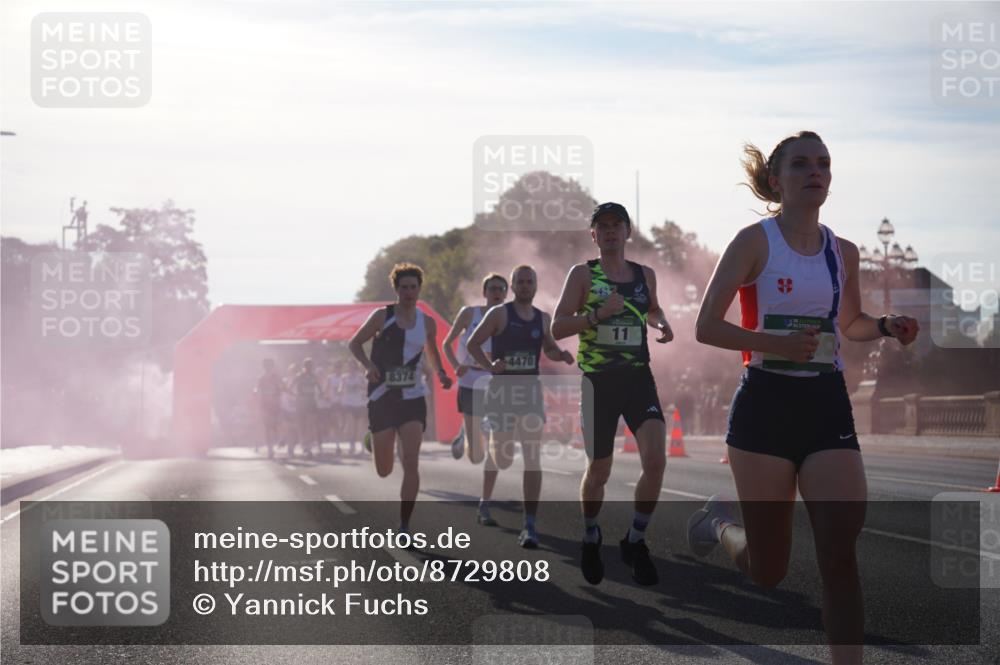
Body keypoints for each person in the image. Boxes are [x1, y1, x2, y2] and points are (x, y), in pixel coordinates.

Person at [685, 131, 919, 665]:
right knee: (768, 569)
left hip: (825, 404)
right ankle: (719, 521)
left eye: (824, 164)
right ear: (776, 179)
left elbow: (850, 323)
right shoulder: (753, 242)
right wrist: (774, 343)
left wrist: (886, 325)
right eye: (802, 165)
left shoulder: (845, 252)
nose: (816, 172)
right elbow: (705, 327)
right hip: (765, 408)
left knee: (839, 549)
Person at [552, 202, 674, 586]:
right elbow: (557, 328)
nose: (609, 232)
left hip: (639, 378)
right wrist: (596, 316)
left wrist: (662, 322)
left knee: (656, 461)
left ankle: (635, 540)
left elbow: (652, 309)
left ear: (627, 232)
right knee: (599, 469)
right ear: (593, 235)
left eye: (616, 225)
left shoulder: (644, 274)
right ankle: (591, 534)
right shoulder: (582, 275)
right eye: (601, 227)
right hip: (598, 382)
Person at [466, 265, 574, 547]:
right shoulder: (499, 313)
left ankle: (529, 525)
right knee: (501, 457)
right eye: (521, 282)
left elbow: (547, 346)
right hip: (502, 393)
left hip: (530, 393)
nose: (525, 286)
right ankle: (484, 502)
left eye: (530, 282)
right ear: (513, 286)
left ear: (536, 286)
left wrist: (559, 353)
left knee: (532, 457)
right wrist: (490, 365)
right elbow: (472, 344)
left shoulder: (542, 318)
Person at [348, 263, 453, 537]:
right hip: (382, 396)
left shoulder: (427, 322)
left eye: (413, 287)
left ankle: (404, 525)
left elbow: (432, 352)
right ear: (396, 290)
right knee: (384, 470)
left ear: (419, 289)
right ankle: (375, 438)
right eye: (403, 287)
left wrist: (441, 373)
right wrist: (368, 365)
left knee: (411, 460)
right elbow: (354, 343)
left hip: (413, 397)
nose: (408, 292)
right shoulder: (382, 317)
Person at [442, 272, 509, 462]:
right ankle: (464, 434)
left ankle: (481, 425)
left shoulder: (509, 317)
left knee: (496, 429)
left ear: (506, 293)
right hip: (470, 379)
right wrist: (456, 366)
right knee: (476, 456)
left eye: (500, 289)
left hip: (494, 380)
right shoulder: (469, 314)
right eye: (492, 288)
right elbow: (447, 344)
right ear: (484, 292)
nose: (496, 292)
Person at [292, 358, 322, 457]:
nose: (309, 368)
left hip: (311, 402)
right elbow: (291, 386)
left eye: (310, 366)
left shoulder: (314, 376)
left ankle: (307, 446)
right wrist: (295, 396)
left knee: (310, 425)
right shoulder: (299, 376)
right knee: (302, 425)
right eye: (307, 366)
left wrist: (321, 394)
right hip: (301, 403)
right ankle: (303, 445)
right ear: (304, 367)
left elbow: (319, 388)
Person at [254, 358, 282, 458]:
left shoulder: (276, 378)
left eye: (269, 365)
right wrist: (256, 393)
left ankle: (276, 442)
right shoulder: (261, 378)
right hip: (265, 406)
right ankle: (270, 449)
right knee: (267, 428)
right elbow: (257, 390)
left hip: (275, 406)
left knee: (275, 427)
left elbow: (280, 390)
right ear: (264, 367)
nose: (268, 367)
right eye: (266, 366)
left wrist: (277, 396)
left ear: (272, 366)